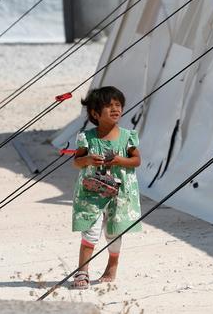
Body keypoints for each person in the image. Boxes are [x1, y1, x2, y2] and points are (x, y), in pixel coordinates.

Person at [70, 86, 142, 289]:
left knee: (114, 231)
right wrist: (88, 160)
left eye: (118, 105)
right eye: (109, 106)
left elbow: (136, 161)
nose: (115, 109)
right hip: (91, 190)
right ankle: (82, 272)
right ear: (95, 113)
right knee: (90, 230)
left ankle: (112, 264)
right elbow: (76, 162)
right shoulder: (87, 137)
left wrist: (119, 160)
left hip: (120, 192)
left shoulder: (128, 136)